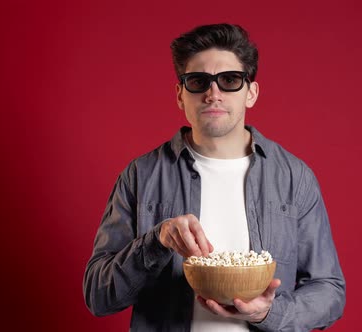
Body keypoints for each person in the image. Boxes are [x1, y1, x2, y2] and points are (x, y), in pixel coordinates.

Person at [83, 23, 346, 332]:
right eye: (198, 81)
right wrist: (156, 241)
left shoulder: (294, 178)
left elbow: (329, 291)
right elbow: (98, 296)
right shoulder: (141, 175)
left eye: (230, 80)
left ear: (251, 92)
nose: (213, 93)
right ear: (181, 95)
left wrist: (268, 313)